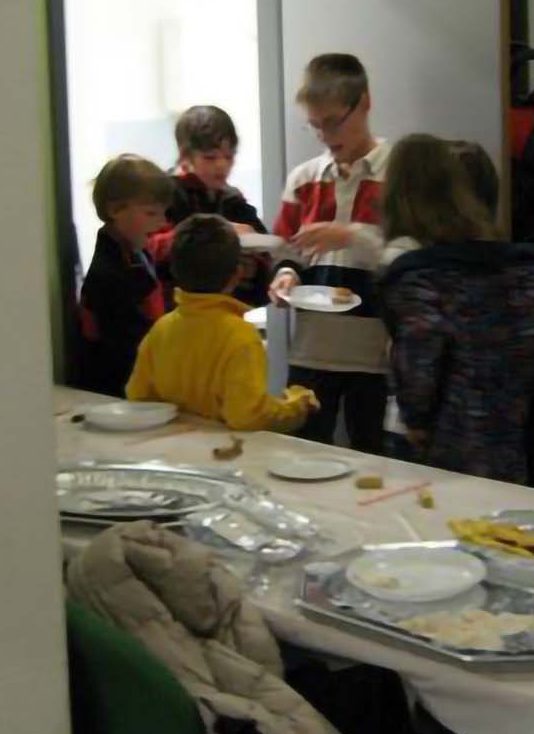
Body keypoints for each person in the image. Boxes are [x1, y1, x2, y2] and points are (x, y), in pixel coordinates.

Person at [378, 134, 534, 483]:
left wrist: (416, 416)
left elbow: (422, 344)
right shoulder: (526, 272)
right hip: (509, 430)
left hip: (435, 441)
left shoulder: (418, 275)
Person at [270, 53, 391, 453]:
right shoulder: (304, 178)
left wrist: (351, 236)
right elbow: (286, 249)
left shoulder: (398, 172)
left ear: (365, 102)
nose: (325, 135)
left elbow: (411, 259)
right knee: (302, 455)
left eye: (334, 122)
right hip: (312, 349)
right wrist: (286, 274)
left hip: (376, 354)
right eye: (315, 125)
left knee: (374, 462)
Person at [128, 215, 319, 431]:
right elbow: (248, 416)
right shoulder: (241, 337)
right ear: (237, 274)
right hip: (223, 449)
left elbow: (138, 395)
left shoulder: (161, 328)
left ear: (174, 271)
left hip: (169, 446)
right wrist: (297, 406)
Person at [146, 104, 271, 309]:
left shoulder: (232, 199)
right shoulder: (164, 195)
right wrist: (213, 233)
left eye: (229, 156)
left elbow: (266, 266)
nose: (222, 165)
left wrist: (252, 269)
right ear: (185, 156)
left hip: (222, 314)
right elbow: (147, 249)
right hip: (177, 314)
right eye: (210, 157)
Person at [77, 153, 174, 397]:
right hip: (116, 389)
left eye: (162, 213)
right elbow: (125, 345)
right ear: (115, 210)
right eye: (151, 213)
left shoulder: (136, 252)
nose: (162, 222)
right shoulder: (109, 274)